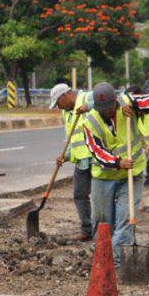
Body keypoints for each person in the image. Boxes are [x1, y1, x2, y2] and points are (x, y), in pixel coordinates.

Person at [82, 82, 149, 267]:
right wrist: (118, 162)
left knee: (126, 219)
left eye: (109, 107)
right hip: (104, 177)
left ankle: (114, 263)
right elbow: (96, 150)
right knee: (102, 222)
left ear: (115, 101)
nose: (106, 111)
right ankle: (104, 253)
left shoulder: (126, 102)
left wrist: (134, 106)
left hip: (132, 175)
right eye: (101, 108)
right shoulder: (90, 122)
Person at [49, 82, 94, 240]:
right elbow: (72, 139)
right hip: (82, 161)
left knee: (104, 195)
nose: (58, 107)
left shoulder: (87, 97)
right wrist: (65, 156)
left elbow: (108, 100)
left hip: (98, 158)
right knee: (79, 195)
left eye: (58, 103)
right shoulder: (66, 113)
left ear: (65, 95)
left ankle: (108, 230)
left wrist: (88, 106)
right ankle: (87, 230)